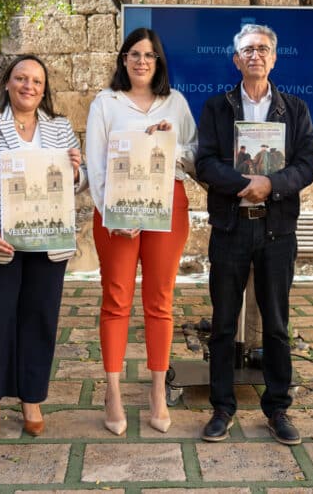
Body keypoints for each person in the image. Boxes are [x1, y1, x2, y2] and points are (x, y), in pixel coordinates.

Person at [195, 24, 313, 445]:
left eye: (263, 49)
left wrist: (273, 185)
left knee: (277, 325)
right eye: (247, 50)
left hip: (276, 229)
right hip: (230, 227)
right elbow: (205, 163)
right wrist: (241, 183)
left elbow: (304, 165)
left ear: (274, 57)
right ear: (236, 59)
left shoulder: (294, 109)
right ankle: (222, 407)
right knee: (224, 324)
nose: (255, 55)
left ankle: (278, 408)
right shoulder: (217, 107)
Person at [0, 55, 87, 440]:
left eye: (36, 80)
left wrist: (77, 170)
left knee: (40, 319)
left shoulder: (61, 129)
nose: (28, 86)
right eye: (21, 78)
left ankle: (32, 397)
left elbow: (76, 185)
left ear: (44, 89)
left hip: (47, 243)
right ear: (7, 83)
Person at [86, 27, 198, 435]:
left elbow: (194, 154)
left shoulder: (176, 102)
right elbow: (95, 163)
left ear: (159, 61)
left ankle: (156, 390)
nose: (141, 61)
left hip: (167, 207)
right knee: (116, 299)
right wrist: (111, 213)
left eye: (149, 55)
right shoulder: (105, 103)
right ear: (123, 59)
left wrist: (175, 146)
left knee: (160, 300)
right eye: (134, 54)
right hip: (117, 213)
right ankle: (113, 391)